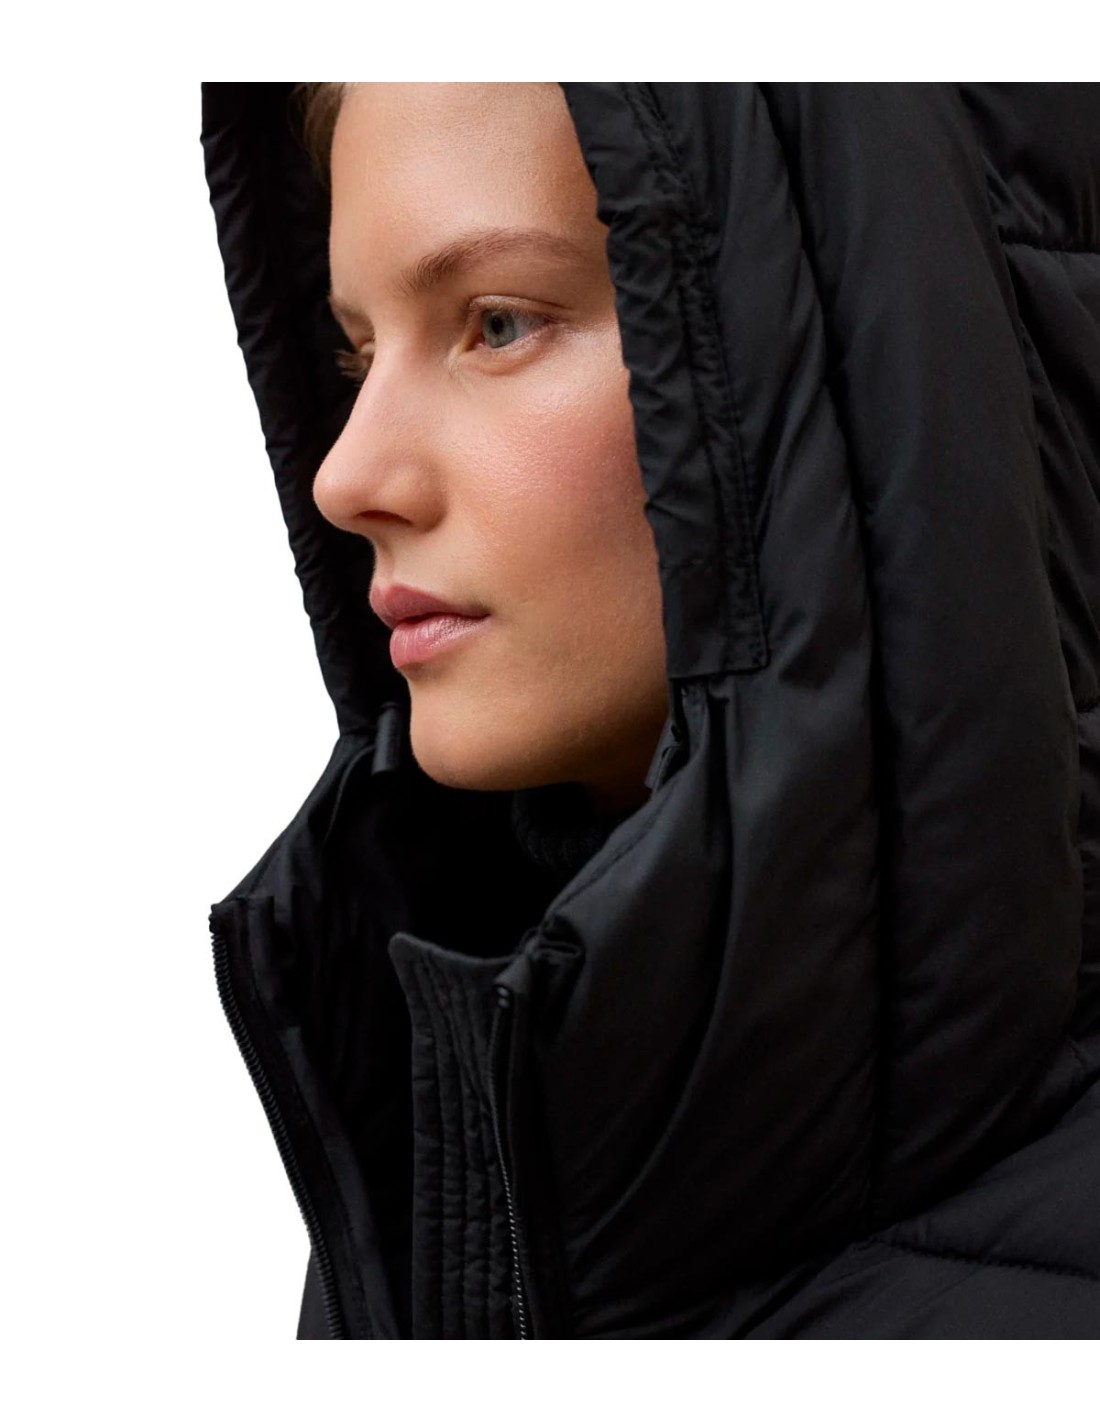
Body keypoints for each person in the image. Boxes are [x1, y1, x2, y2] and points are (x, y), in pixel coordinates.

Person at [201, 82, 1100, 1339]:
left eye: (496, 323)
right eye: (355, 353)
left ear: (850, 368)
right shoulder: (464, 1136)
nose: (345, 476)